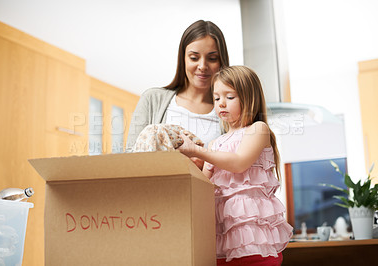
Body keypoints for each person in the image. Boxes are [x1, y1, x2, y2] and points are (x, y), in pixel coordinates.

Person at [177, 66, 293, 265]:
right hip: (224, 242)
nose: (221, 103)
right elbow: (204, 187)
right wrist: (189, 161)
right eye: (216, 98)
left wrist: (199, 152)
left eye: (230, 97)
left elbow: (239, 163)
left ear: (249, 98)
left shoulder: (258, 130)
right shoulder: (215, 144)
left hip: (255, 241)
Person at [125, 20, 230, 165]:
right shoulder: (152, 100)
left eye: (212, 58)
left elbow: (236, 168)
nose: (202, 66)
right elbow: (130, 159)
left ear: (221, 61)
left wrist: (201, 166)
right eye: (194, 58)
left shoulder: (230, 109)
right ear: (183, 59)